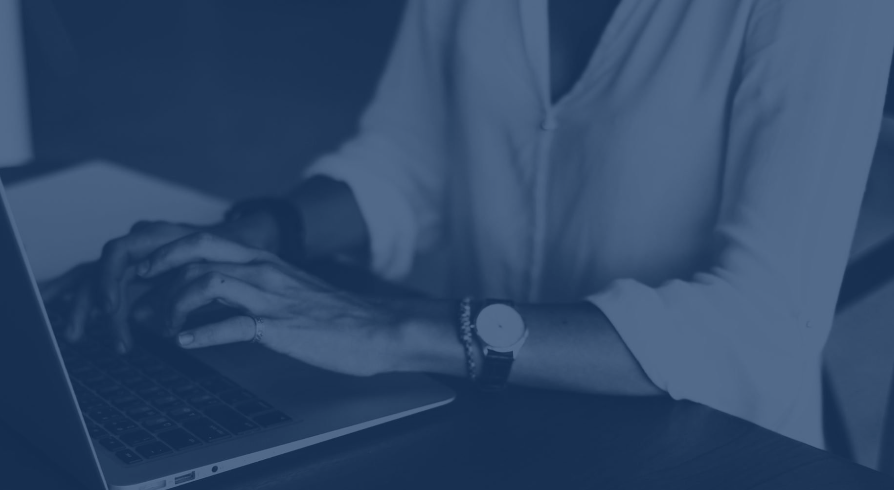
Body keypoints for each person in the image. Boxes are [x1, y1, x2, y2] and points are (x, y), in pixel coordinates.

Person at [43, 0, 894, 449]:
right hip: (498, 432)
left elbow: (761, 328)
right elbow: (412, 164)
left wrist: (402, 331)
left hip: (707, 480)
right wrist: (258, 235)